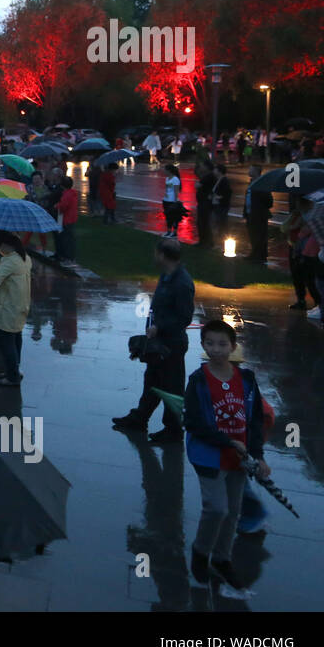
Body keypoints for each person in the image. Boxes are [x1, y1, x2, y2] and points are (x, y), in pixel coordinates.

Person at [184, 320, 267, 592]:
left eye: (222, 344)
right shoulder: (198, 380)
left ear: (233, 346)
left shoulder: (246, 378)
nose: (216, 349)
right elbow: (193, 422)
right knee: (216, 508)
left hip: (240, 456)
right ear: (203, 345)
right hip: (208, 454)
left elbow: (255, 419)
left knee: (233, 511)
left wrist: (258, 454)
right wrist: (226, 441)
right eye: (210, 343)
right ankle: (200, 552)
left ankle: (222, 558)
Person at [113, 238, 195, 443]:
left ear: (163, 255)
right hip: (158, 343)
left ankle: (174, 430)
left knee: (171, 388)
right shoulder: (167, 276)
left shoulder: (182, 283)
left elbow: (184, 317)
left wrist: (159, 327)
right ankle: (139, 418)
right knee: (152, 383)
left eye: (156, 253)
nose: (154, 256)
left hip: (172, 345)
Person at [0, 231, 32, 386]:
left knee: (6, 342)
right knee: (16, 338)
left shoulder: (9, 261)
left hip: (7, 307)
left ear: (6, 245)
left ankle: (12, 377)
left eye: (0, 246)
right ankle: (15, 370)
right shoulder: (26, 258)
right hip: (21, 305)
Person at [244, 187, 273, 263]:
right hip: (250, 214)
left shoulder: (262, 186)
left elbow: (269, 202)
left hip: (259, 216)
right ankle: (254, 254)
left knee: (260, 236)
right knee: (253, 235)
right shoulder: (251, 185)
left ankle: (260, 256)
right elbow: (247, 199)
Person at [54, 175, 78, 263]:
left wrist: (56, 205)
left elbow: (63, 206)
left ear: (62, 185)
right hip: (72, 219)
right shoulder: (72, 193)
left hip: (67, 220)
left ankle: (69, 257)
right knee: (70, 238)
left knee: (67, 239)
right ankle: (71, 257)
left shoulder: (66, 195)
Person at [195, 159, 216, 247]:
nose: (201, 167)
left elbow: (198, 185)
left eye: (202, 165)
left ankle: (205, 241)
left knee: (204, 222)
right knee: (203, 222)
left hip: (205, 202)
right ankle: (204, 241)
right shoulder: (207, 176)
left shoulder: (209, 176)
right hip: (203, 201)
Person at [210, 164, 232, 245]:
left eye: (215, 170)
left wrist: (219, 197)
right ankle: (219, 240)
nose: (214, 171)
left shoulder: (224, 180)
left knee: (221, 223)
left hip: (221, 206)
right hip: (216, 205)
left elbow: (228, 192)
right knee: (217, 222)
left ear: (219, 171)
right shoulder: (218, 179)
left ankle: (222, 241)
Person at [162, 164, 184, 238]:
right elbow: (167, 189)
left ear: (169, 170)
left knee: (173, 217)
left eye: (165, 169)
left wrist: (175, 201)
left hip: (172, 201)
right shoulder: (167, 178)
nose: (164, 171)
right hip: (166, 200)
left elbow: (176, 191)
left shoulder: (175, 179)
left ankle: (174, 233)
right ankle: (168, 231)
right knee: (168, 217)